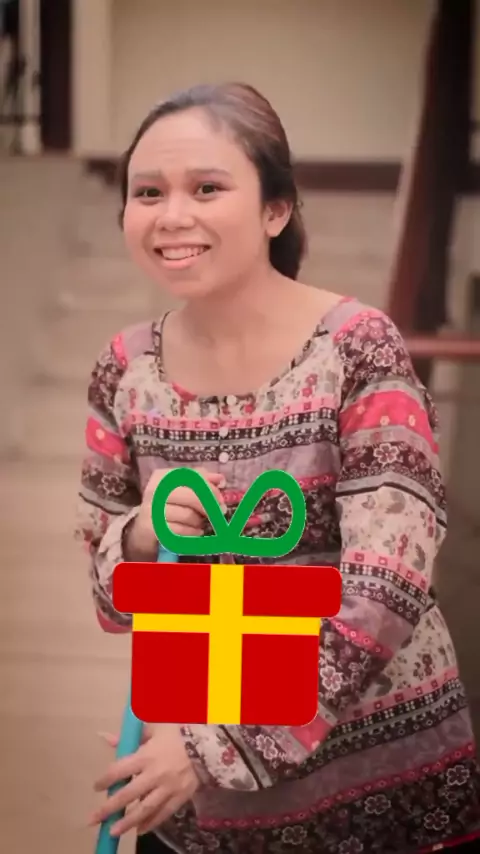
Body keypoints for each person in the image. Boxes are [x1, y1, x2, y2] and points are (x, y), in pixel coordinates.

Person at [75, 82, 480, 854]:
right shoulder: (123, 369)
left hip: (374, 786)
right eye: (148, 192)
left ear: (276, 209)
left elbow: (386, 590)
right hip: (195, 808)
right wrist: (140, 537)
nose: (171, 215)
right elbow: (110, 599)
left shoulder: (358, 347)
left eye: (207, 188)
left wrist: (214, 746)